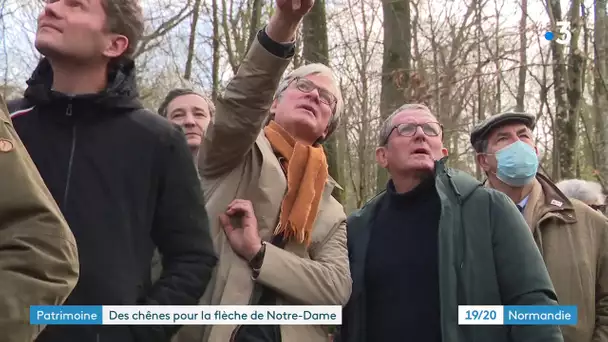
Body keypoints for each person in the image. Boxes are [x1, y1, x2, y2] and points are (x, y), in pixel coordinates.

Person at [7, 0, 217, 341]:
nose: (51, 9)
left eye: (75, 5)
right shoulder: (8, 128)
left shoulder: (159, 140)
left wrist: (137, 331)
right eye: (52, 1)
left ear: (114, 44)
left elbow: (193, 258)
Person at [174, 1, 351, 341]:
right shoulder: (233, 150)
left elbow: (335, 288)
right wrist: (284, 24)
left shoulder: (331, 207)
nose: (314, 96)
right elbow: (242, 104)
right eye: (303, 87)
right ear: (273, 103)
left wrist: (259, 253)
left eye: (326, 99)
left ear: (327, 128)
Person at [339, 104, 563, 342]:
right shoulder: (358, 227)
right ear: (382, 155)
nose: (420, 134)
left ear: (443, 152)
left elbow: (534, 307)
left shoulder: (490, 209)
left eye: (430, 129)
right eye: (405, 128)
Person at [470, 111, 608, 342]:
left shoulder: (588, 221)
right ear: (483, 160)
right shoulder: (464, 222)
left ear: (535, 150)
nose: (518, 144)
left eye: (523, 136)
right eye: (503, 139)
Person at [0, 95, 79, 341]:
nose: (190, 122)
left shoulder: (157, 138)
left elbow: (44, 246)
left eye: (199, 112)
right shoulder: (20, 116)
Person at [158, 88, 215, 166]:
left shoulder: (235, 172)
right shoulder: (145, 173)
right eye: (178, 115)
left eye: (199, 114)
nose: (189, 121)